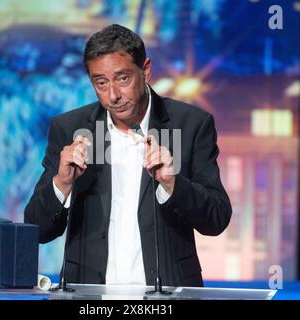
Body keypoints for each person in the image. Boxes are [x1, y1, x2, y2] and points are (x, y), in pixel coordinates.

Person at [24, 24, 232, 287]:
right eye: (101, 83)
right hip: (87, 296)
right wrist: (62, 184)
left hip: (166, 295)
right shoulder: (70, 128)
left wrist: (172, 183)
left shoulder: (190, 125)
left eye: (123, 78)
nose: (113, 95)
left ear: (145, 70)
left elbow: (216, 219)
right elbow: (37, 230)